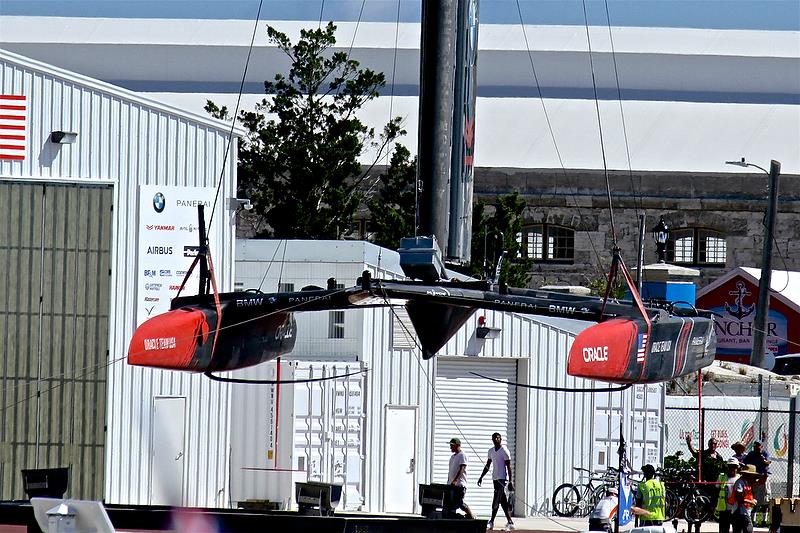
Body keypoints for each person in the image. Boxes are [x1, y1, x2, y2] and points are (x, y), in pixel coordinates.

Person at [478, 432, 515, 531]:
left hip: (502, 479)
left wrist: (510, 481)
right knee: (503, 501)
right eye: (494, 438)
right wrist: (481, 476)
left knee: (496, 501)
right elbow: (488, 465)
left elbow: (509, 467)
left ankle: (491, 521)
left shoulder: (505, 451)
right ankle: (510, 522)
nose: (495, 440)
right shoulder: (490, 451)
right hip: (495, 479)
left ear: (501, 439)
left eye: (497, 438)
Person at [743, 440, 771, 525]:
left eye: (758, 446)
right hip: (755, 478)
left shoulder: (765, 454)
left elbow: (768, 462)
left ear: (761, 447)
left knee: (765, 500)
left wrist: (764, 460)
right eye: (755, 446)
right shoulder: (751, 454)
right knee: (754, 498)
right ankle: (753, 520)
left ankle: (764, 521)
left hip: (764, 477)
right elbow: (745, 462)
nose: (756, 448)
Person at [448, 438, 475, 519]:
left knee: (460, 502)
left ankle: (470, 515)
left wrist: (456, 480)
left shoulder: (462, 455)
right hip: (451, 484)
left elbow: (462, 468)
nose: (450, 447)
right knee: (451, 503)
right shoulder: (453, 457)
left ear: (458, 445)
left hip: (459, 484)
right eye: (450, 446)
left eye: (452, 446)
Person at [731, 464, 762, 533]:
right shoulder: (740, 482)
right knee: (748, 529)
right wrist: (751, 502)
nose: (753, 478)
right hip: (739, 512)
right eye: (752, 476)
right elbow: (739, 497)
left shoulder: (747, 483)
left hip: (745, 511)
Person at [717, 458, 741, 533]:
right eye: (730, 466)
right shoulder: (722, 477)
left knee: (736, 528)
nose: (732, 468)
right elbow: (716, 489)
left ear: (737, 467)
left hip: (736, 508)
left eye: (734, 466)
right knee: (723, 529)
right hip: (724, 508)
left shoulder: (739, 478)